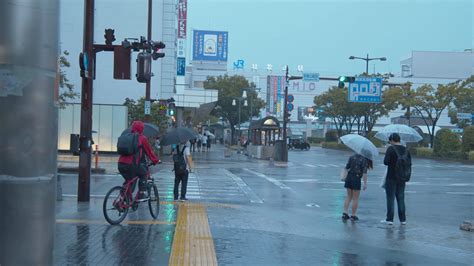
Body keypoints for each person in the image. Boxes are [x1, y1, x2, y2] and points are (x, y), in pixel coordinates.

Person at [118, 120, 160, 200]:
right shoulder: (142, 138)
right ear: (141, 129)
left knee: (129, 181)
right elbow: (149, 152)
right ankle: (141, 193)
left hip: (121, 164)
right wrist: (156, 160)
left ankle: (122, 199)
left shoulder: (126, 136)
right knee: (144, 174)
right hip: (132, 164)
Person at [381, 133, 411, 226]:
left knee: (390, 199)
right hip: (402, 177)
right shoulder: (406, 150)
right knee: (401, 198)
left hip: (391, 177)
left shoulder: (391, 149)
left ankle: (389, 219)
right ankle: (403, 220)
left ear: (392, 140)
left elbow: (385, 162)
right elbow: (409, 163)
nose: (390, 143)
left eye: (390, 141)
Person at [342, 153, 372, 222]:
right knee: (355, 198)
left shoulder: (351, 157)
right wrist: (365, 183)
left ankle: (345, 213)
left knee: (349, 196)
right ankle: (353, 215)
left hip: (349, 177)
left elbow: (346, 167)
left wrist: (344, 176)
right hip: (356, 178)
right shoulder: (363, 159)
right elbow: (364, 173)